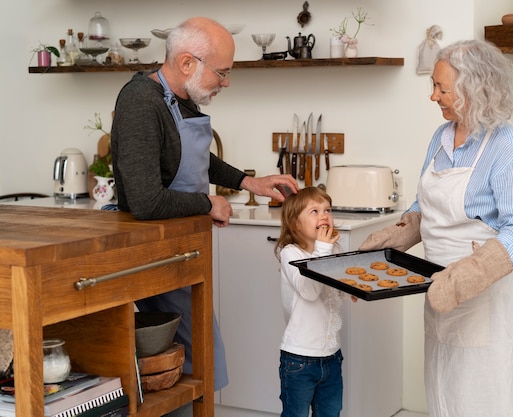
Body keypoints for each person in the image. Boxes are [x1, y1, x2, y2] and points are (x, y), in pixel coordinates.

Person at [110, 16, 299, 415]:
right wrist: (207, 203)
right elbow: (145, 201)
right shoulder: (140, 102)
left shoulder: (179, 98)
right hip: (153, 251)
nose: (226, 82)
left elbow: (191, 156)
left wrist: (249, 183)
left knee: (198, 350)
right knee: (191, 352)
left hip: (183, 248)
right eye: (223, 72)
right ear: (186, 62)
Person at [360, 39, 513, 417]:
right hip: (439, 292)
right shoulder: (440, 139)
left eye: (442, 88)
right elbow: (425, 206)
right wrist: (394, 237)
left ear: (476, 87)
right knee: (443, 395)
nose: (433, 96)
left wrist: (465, 278)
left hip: (482, 298)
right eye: (434, 86)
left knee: (480, 401)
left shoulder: (508, 149)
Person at [274, 187, 351, 417]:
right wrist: (324, 250)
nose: (324, 215)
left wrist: (351, 287)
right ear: (295, 223)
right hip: (299, 360)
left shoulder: (332, 249)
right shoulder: (291, 254)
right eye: (314, 211)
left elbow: (335, 283)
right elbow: (309, 291)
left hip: (331, 357)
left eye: (327, 209)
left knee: (330, 413)